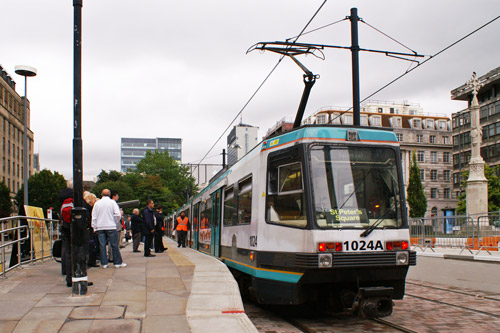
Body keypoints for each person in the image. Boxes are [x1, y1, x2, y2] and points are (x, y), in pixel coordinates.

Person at [92, 189, 126, 268]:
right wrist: (114, 221)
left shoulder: (97, 203)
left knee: (102, 245)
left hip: (100, 226)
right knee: (114, 245)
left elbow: (94, 216)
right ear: (110, 195)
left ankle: (104, 263)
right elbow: (118, 214)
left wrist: (94, 227)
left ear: (101, 194)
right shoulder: (112, 203)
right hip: (110, 225)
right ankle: (117, 262)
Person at [59, 188, 74, 287]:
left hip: (65, 230)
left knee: (67, 253)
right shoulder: (72, 203)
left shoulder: (62, 204)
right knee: (76, 253)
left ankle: (68, 276)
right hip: (74, 231)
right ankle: (75, 277)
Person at [84, 191, 99, 268]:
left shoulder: (86, 207)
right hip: (89, 230)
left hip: (87, 229)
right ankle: (91, 261)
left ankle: (90, 261)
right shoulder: (89, 209)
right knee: (91, 245)